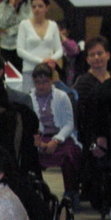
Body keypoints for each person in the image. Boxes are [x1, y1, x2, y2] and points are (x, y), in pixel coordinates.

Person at [29, 65, 82, 197]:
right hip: (39, 138)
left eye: (45, 82)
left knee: (69, 156)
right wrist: (38, 142)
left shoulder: (62, 96)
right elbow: (29, 125)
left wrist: (56, 140)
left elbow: (69, 124)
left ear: (51, 80)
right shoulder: (29, 98)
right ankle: (36, 192)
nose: (41, 86)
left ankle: (71, 193)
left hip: (61, 137)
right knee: (29, 156)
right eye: (38, 82)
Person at [16, 0, 62, 94]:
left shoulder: (53, 25)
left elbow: (59, 49)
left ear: (47, 8)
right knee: (29, 99)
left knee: (48, 99)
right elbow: (20, 50)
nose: (37, 9)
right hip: (29, 70)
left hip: (48, 71)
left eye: (40, 6)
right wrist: (41, 61)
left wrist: (51, 60)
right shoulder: (24, 24)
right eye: (34, 7)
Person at [0, 0, 30, 70]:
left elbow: (28, 25)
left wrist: (9, 31)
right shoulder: (3, 5)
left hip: (23, 46)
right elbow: (1, 23)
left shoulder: (30, 5)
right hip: (6, 47)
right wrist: (11, 6)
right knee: (8, 75)